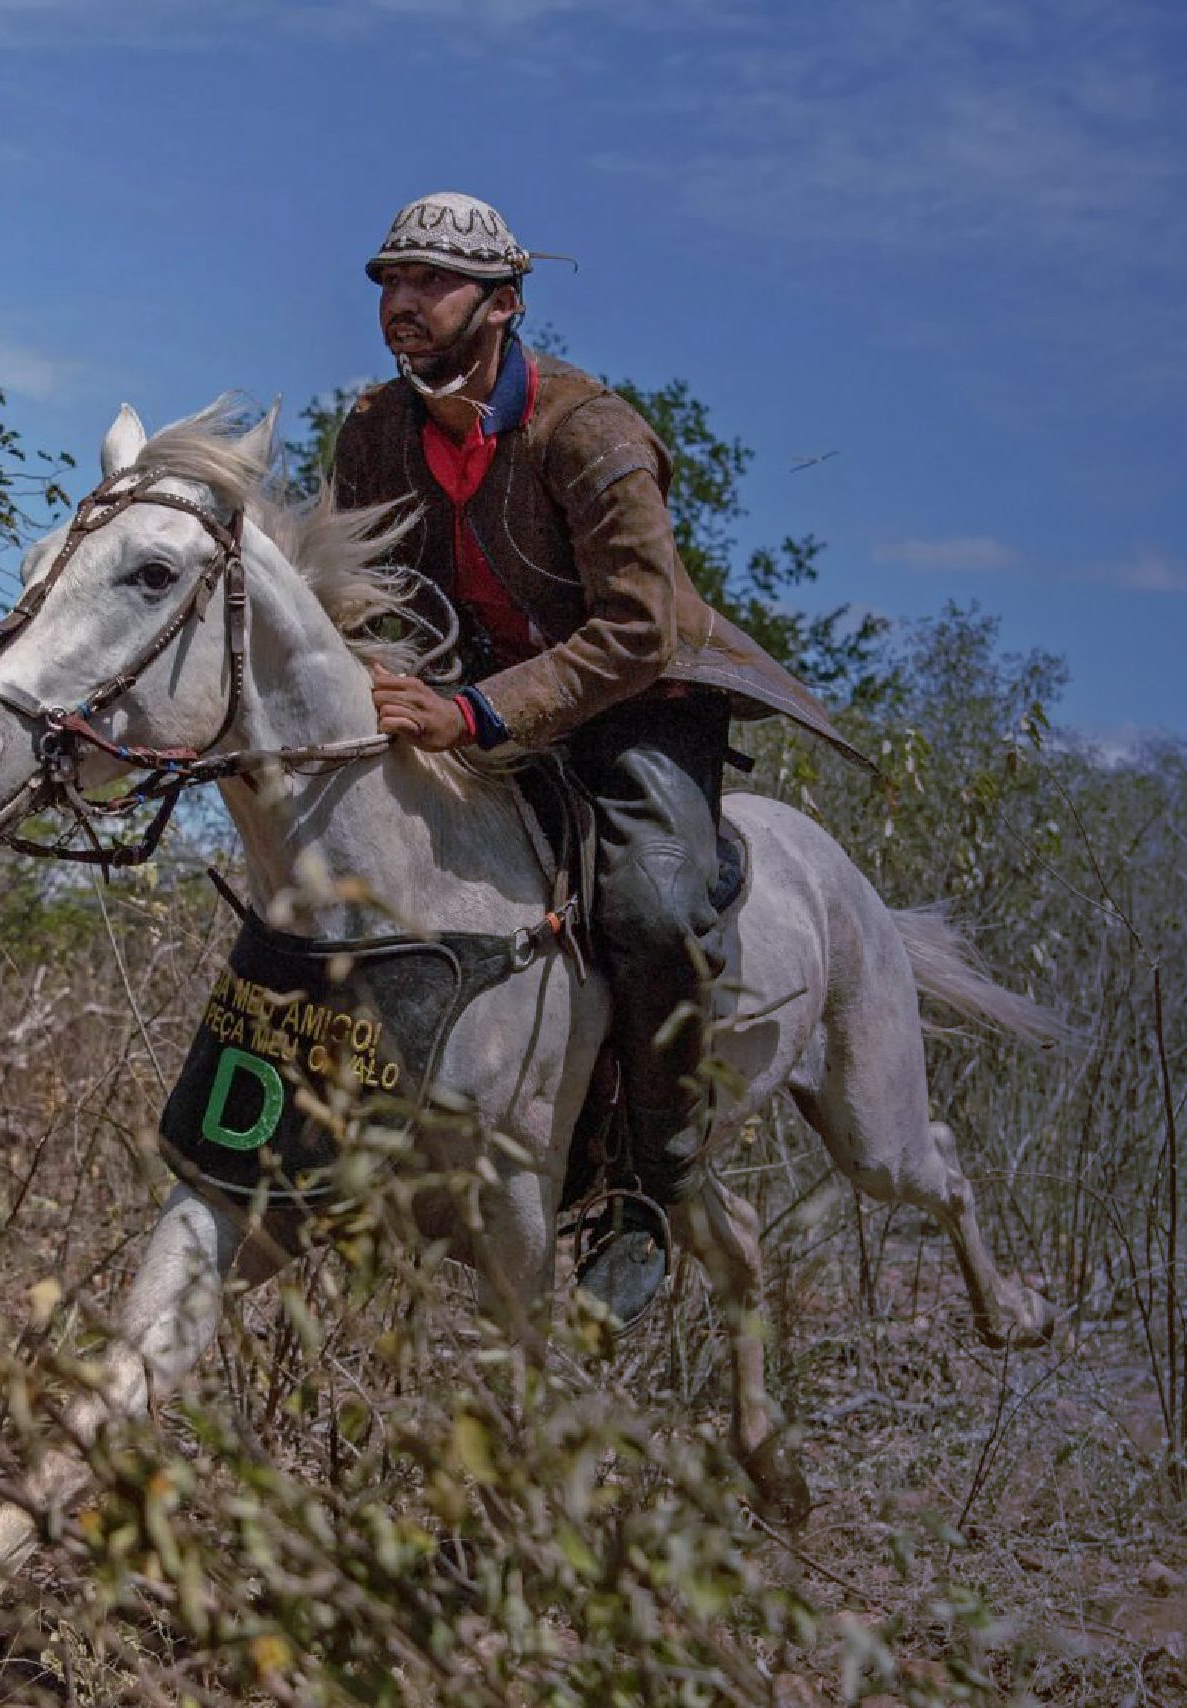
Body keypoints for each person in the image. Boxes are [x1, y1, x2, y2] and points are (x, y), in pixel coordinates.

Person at [330, 191, 864, 1324]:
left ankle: (647, 1190)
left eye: (430, 282)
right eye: (390, 280)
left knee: (656, 906)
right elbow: (359, 590)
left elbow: (637, 628)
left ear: (503, 302)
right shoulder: (373, 428)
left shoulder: (593, 430)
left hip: (635, 699)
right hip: (464, 697)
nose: (402, 303)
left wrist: (472, 715)